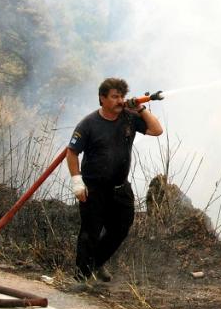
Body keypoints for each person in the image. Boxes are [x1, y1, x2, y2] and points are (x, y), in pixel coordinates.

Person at [66, 78, 163, 282]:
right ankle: (81, 278)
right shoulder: (88, 124)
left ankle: (96, 264)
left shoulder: (128, 117)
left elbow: (156, 130)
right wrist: (77, 181)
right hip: (94, 188)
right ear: (102, 99)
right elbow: (72, 152)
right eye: (115, 97)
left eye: (122, 96)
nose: (120, 101)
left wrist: (141, 110)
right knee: (90, 233)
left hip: (120, 188)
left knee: (120, 228)